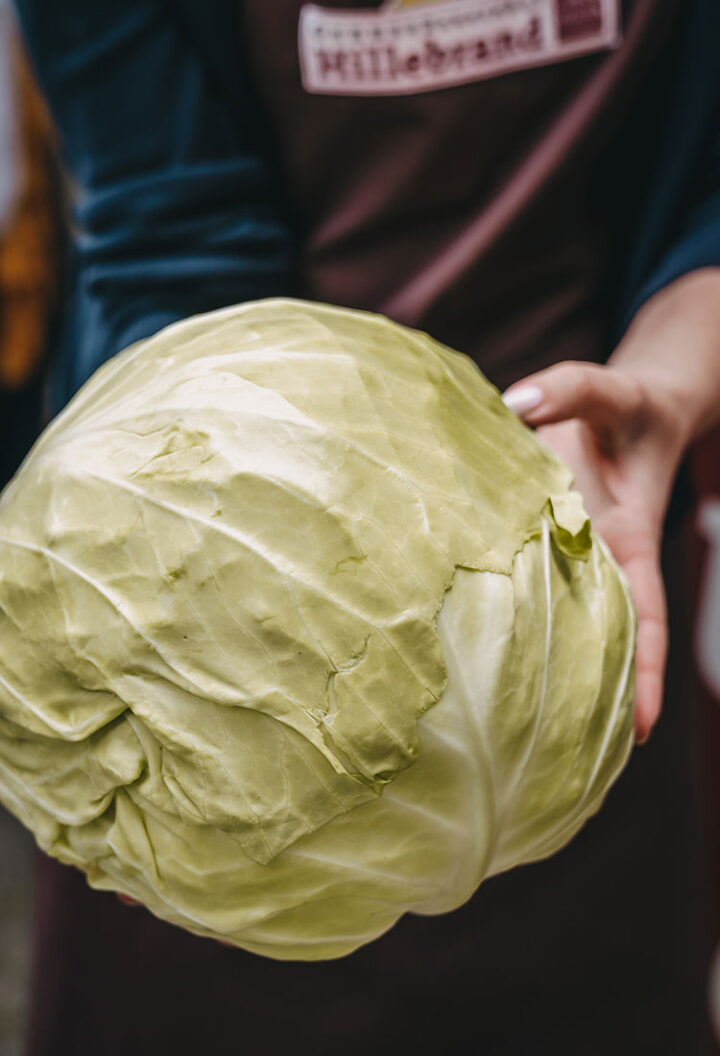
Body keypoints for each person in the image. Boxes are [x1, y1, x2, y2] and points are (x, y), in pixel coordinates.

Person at [11, 1, 720, 1053]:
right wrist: (184, 599)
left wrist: (663, 383)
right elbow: (172, 229)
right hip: (241, 623)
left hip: (574, 543)